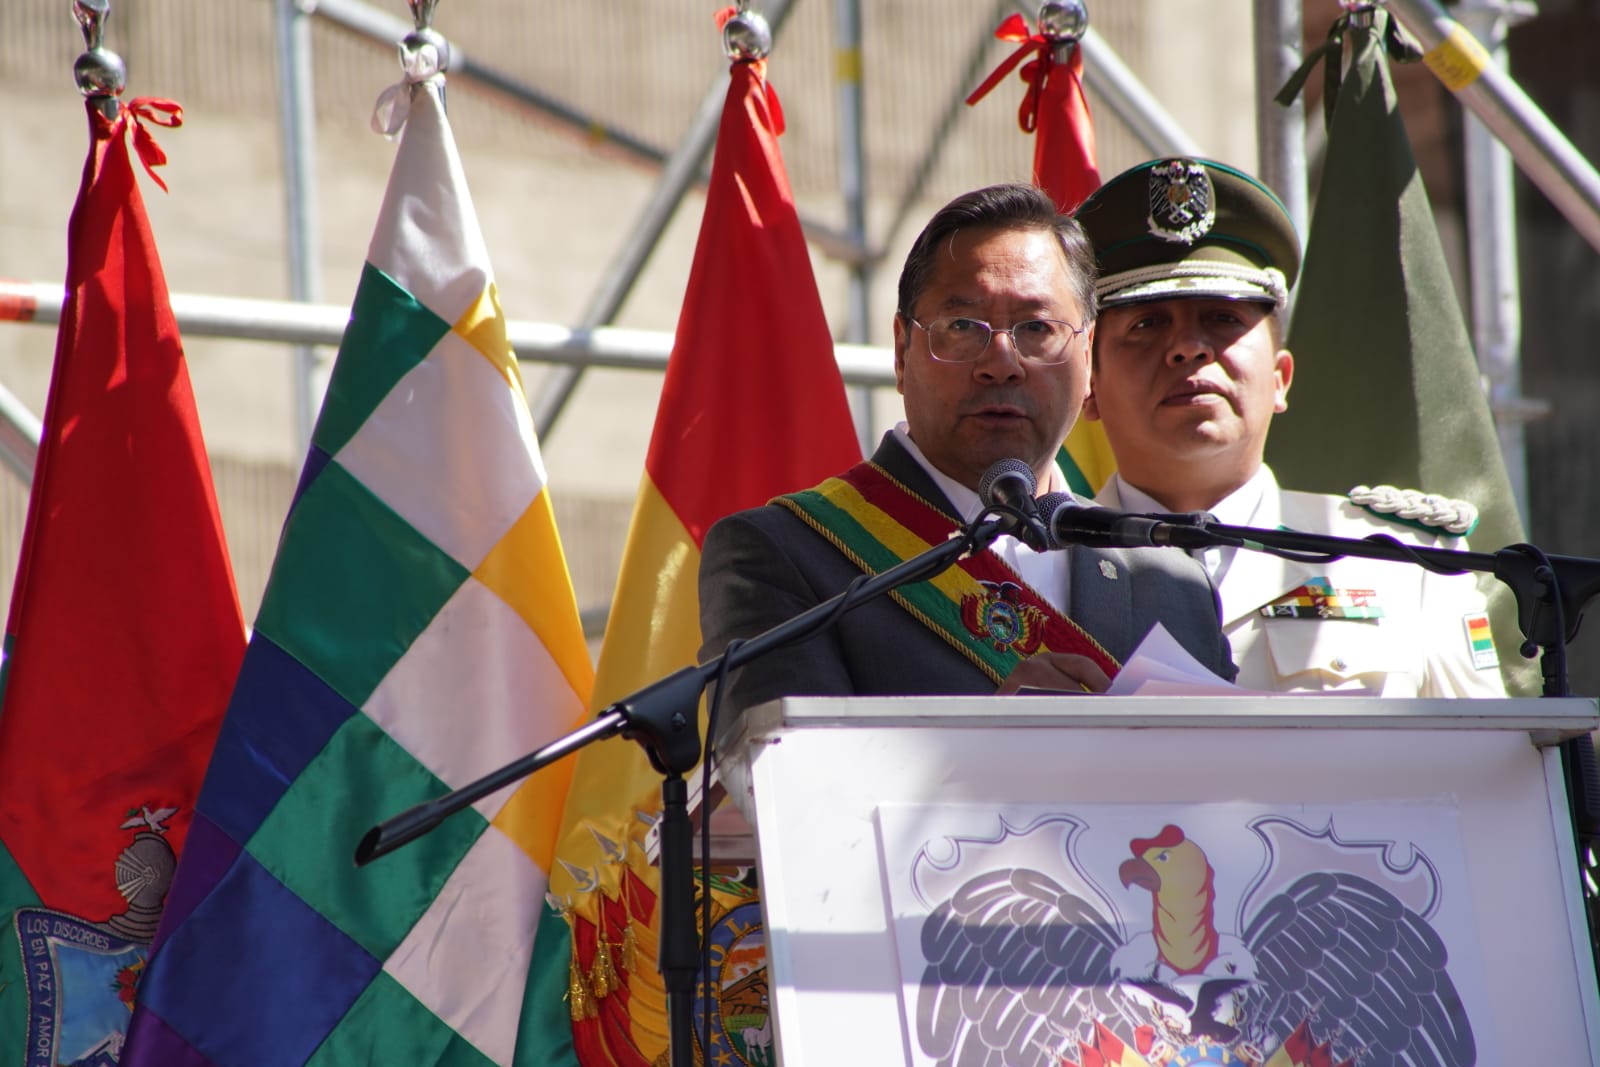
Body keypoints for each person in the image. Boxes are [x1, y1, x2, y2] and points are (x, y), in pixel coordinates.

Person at [697, 182, 1234, 745]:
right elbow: (788, 785)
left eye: (1037, 328)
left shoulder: (1173, 582)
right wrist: (987, 742)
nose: (1001, 363)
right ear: (901, 352)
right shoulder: (786, 553)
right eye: (961, 327)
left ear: (1087, 355)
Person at [1075, 157, 1504, 697]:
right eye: (1147, 323)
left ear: (1281, 379)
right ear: (1088, 386)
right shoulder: (1037, 570)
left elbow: (1489, 744)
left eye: (1223, 318)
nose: (1188, 347)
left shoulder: (1405, 559)